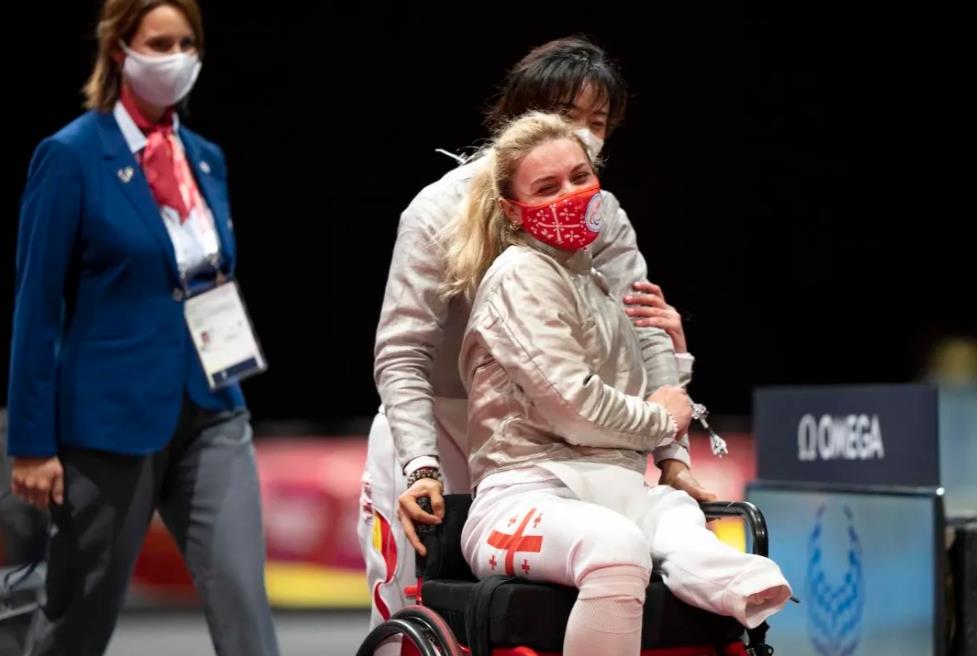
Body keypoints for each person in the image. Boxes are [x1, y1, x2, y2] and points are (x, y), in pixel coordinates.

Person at [361, 36, 711, 630]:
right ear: (517, 116)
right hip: (441, 427)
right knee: (414, 610)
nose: (581, 134)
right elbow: (402, 354)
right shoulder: (437, 211)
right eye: (566, 114)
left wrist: (673, 457)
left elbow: (646, 324)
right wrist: (421, 466)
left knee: (531, 618)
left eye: (596, 123)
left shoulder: (603, 215)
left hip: (549, 442)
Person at [452, 111, 792, 656]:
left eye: (580, 177)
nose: (571, 194)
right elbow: (573, 407)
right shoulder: (520, 275)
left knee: (685, 528)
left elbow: (653, 393)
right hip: (522, 497)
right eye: (547, 187)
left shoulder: (598, 281)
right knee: (617, 548)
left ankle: (742, 592)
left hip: (617, 488)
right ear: (513, 210)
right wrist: (663, 421)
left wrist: (676, 364)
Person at [6, 1, 279, 653]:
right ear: (118, 50)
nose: (176, 58)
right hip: (110, 422)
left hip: (212, 409)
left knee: (245, 602)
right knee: (79, 619)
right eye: (159, 43)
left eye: (187, 43)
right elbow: (36, 306)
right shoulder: (72, 156)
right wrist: (31, 445)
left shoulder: (205, 159)